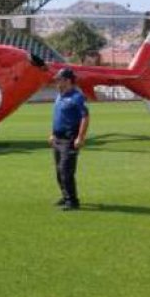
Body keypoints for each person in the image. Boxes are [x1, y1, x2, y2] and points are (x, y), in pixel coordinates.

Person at [50, 68, 90, 211]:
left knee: (66, 171)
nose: (56, 82)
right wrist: (52, 134)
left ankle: (73, 201)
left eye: (59, 80)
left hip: (69, 139)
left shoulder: (77, 97)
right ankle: (65, 195)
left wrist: (80, 137)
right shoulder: (59, 96)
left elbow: (85, 117)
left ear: (67, 81)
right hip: (57, 139)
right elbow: (57, 117)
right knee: (58, 171)